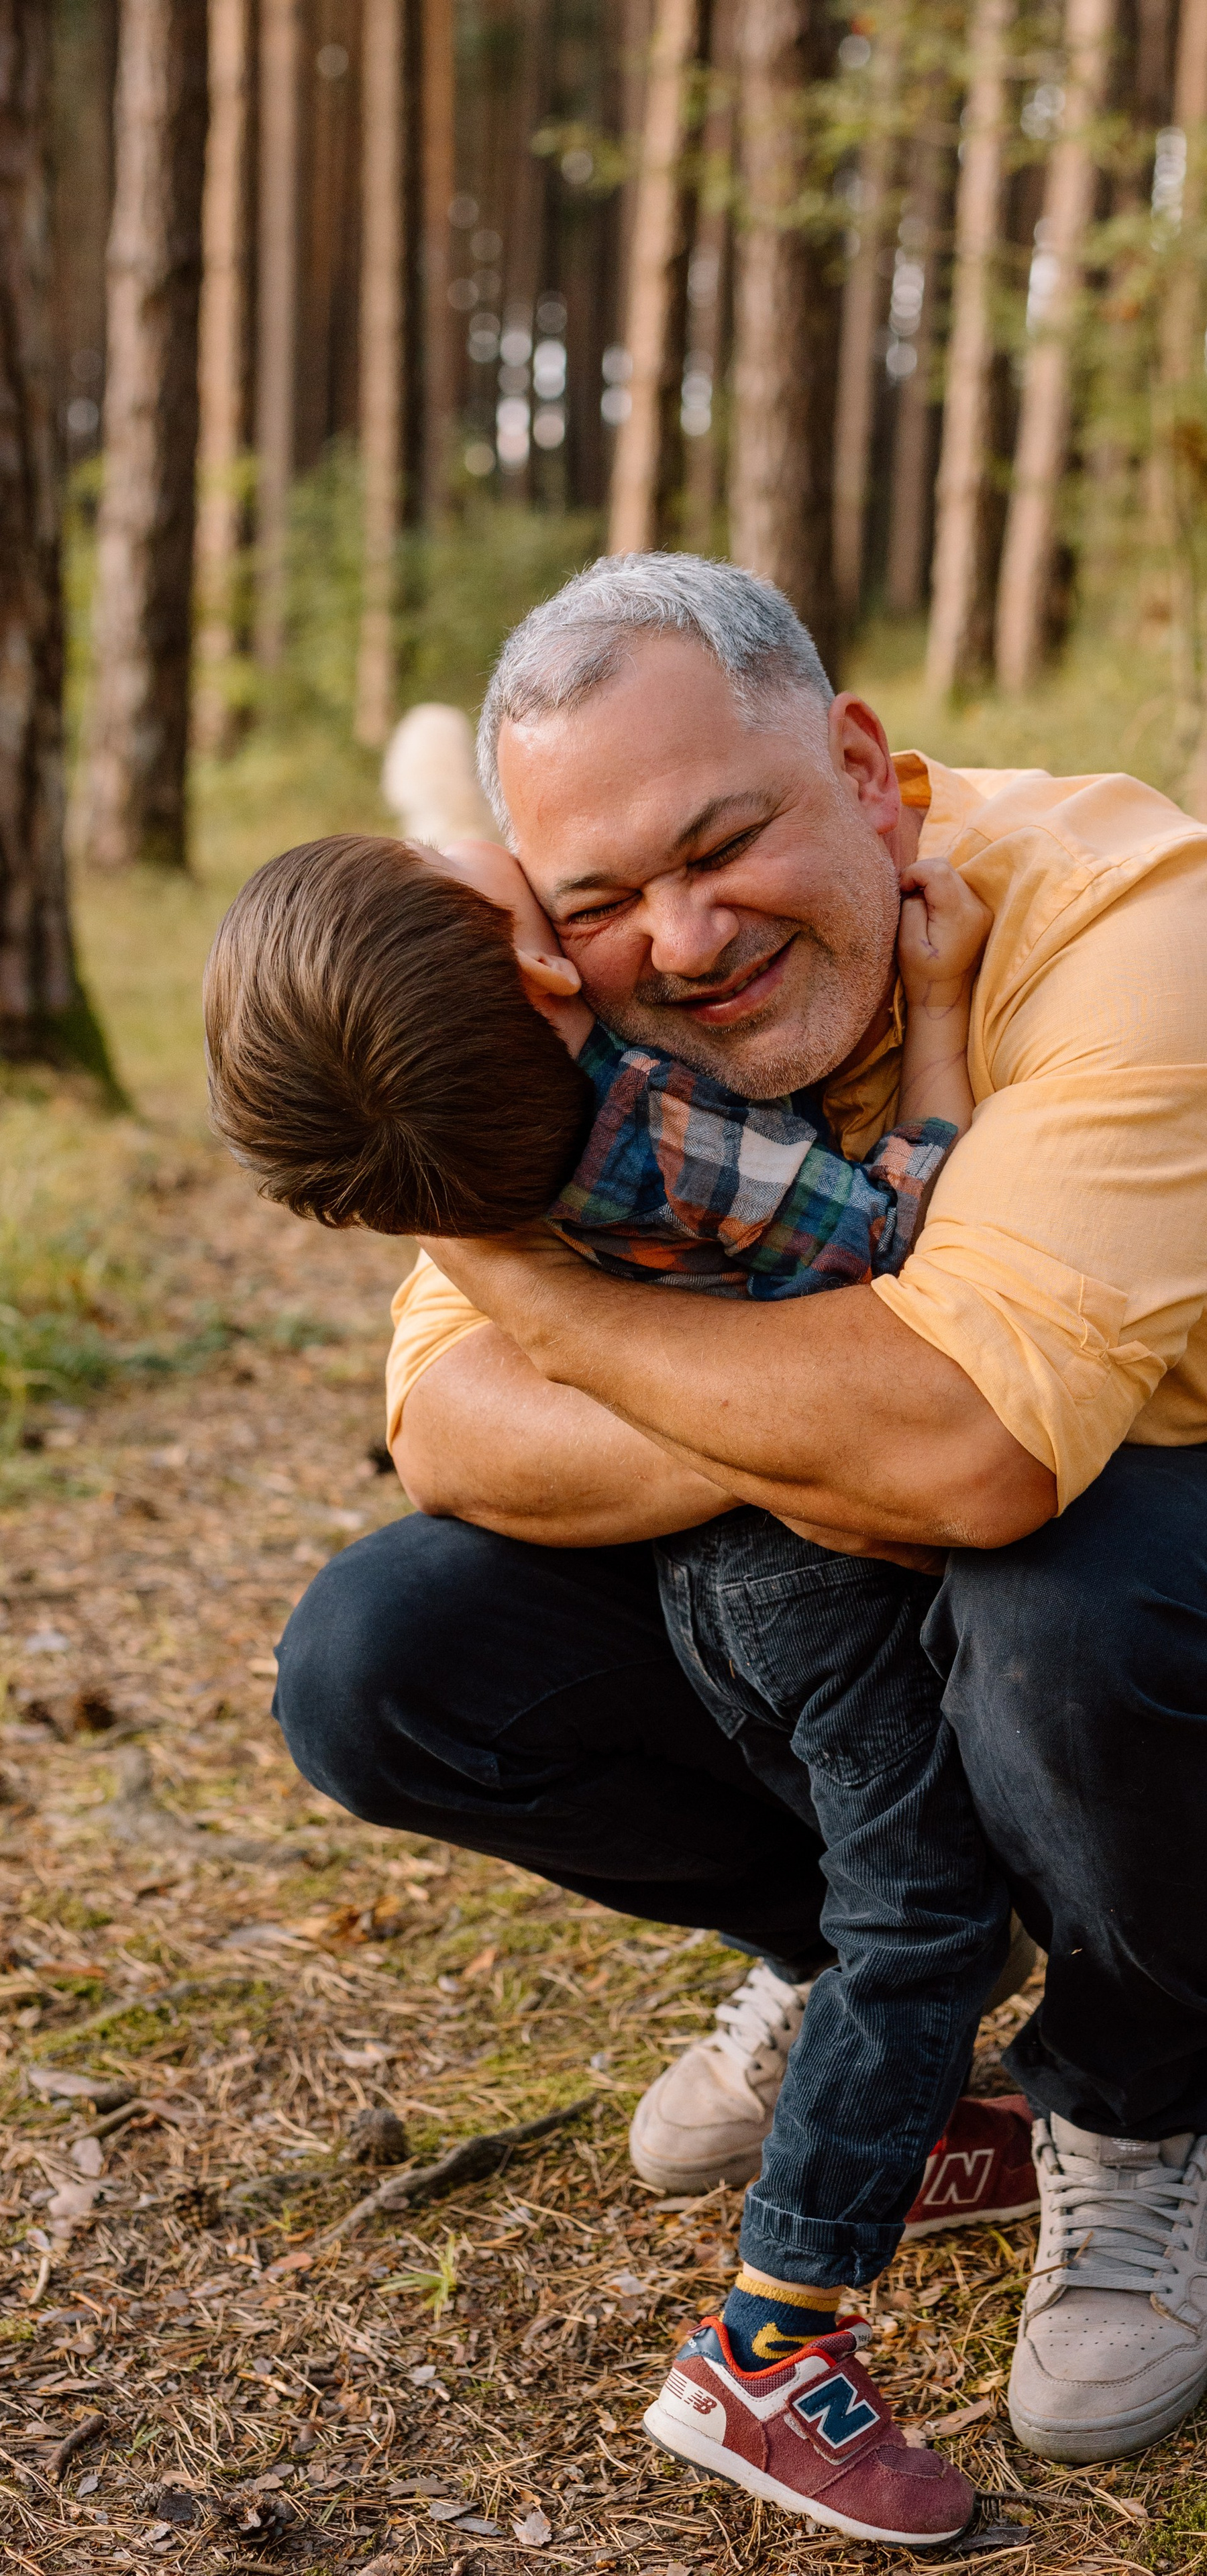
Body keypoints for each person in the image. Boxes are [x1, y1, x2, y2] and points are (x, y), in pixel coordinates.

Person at [270, 554, 1207, 2488]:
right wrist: (845, 1425)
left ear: (859, 763)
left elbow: (980, 1463)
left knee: (1059, 1580)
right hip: (870, 1622)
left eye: (723, 842)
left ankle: (1134, 2103)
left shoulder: (1139, 914)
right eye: (601, 899)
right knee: (379, 1653)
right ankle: (859, 1964)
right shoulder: (574, 1014)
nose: (684, 939)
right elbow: (451, 1435)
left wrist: (555, 1308)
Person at [205, 817, 1027, 2548]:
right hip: (797, 1563)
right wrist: (943, 1010)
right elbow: (898, 1242)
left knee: (900, 1900)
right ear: (532, 966)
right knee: (923, 1918)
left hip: (670, 1567)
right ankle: (767, 2351)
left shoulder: (455, 1153)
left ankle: (913, 2133)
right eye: (464, 862)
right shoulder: (650, 1130)